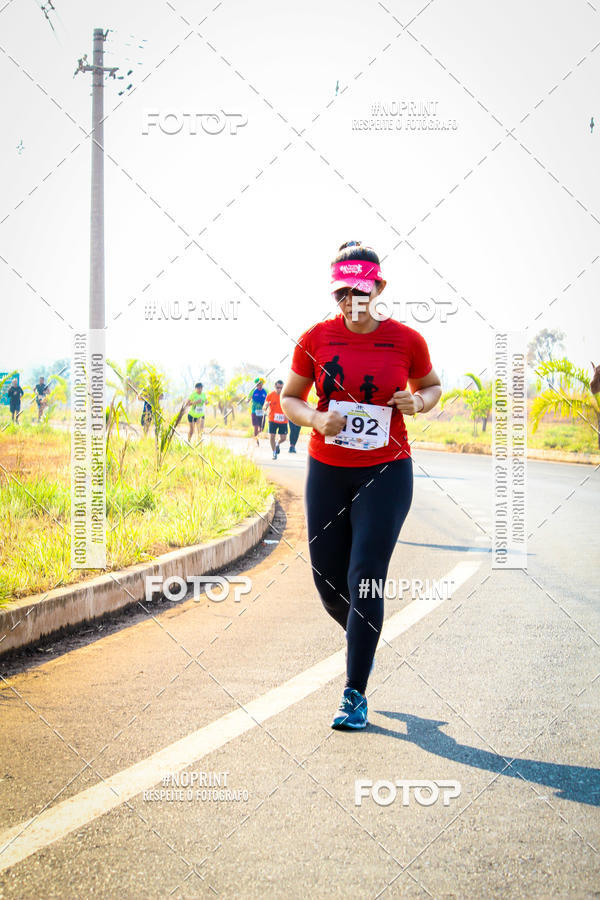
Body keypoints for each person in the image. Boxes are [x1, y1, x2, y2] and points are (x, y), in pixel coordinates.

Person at [281, 240, 442, 730]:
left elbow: (432, 386)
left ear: (380, 288)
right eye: (342, 293)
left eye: (361, 291)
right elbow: (290, 398)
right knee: (329, 583)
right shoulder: (315, 338)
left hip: (386, 470)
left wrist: (419, 402)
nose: (351, 301)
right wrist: (314, 418)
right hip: (327, 469)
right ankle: (362, 633)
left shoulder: (407, 340)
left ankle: (354, 692)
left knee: (365, 574)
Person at [265, 380, 288, 460]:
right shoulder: (270, 395)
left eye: (281, 388)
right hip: (272, 419)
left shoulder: (286, 396)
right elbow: (264, 407)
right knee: (272, 437)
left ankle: (277, 443)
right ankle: (274, 452)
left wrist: (288, 415)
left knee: (283, 438)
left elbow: (289, 407)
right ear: (275, 387)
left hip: (283, 420)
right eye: (278, 388)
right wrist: (266, 406)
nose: (279, 389)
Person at [250, 377, 267, 445]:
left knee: (262, 428)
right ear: (256, 384)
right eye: (258, 384)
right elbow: (248, 399)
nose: (259, 385)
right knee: (256, 426)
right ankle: (256, 440)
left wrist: (266, 405)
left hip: (262, 412)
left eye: (260, 384)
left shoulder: (265, 391)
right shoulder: (253, 391)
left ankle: (256, 435)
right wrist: (247, 400)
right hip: (254, 411)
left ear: (262, 384)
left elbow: (267, 400)